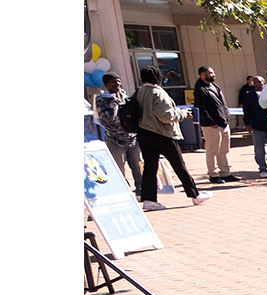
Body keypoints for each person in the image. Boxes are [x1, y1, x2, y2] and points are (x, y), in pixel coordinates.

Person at [131, 66, 211, 211]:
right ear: (157, 76)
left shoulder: (138, 91)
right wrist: (182, 113)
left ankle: (149, 199)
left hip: (143, 133)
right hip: (162, 134)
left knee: (150, 167)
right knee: (178, 164)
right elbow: (166, 116)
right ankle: (195, 195)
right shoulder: (158, 93)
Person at [94, 72, 142, 190]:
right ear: (107, 84)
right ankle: (124, 190)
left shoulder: (124, 96)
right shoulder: (101, 100)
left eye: (119, 81)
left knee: (138, 167)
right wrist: (114, 101)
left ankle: (142, 190)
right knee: (119, 168)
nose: (118, 84)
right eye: (114, 82)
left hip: (132, 139)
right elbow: (108, 118)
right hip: (115, 140)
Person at [192, 66, 237, 183]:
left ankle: (225, 173)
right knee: (212, 150)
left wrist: (226, 118)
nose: (213, 74)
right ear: (202, 75)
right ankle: (213, 174)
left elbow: (222, 104)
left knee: (223, 150)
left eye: (213, 72)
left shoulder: (215, 86)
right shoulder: (200, 89)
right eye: (210, 73)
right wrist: (211, 122)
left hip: (223, 123)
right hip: (211, 126)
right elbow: (201, 108)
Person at [238, 75, 267, 177]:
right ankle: (262, 168)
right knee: (259, 149)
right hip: (257, 126)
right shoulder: (249, 95)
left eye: (259, 82)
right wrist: (248, 123)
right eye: (255, 82)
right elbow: (246, 110)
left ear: (264, 82)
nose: (257, 84)